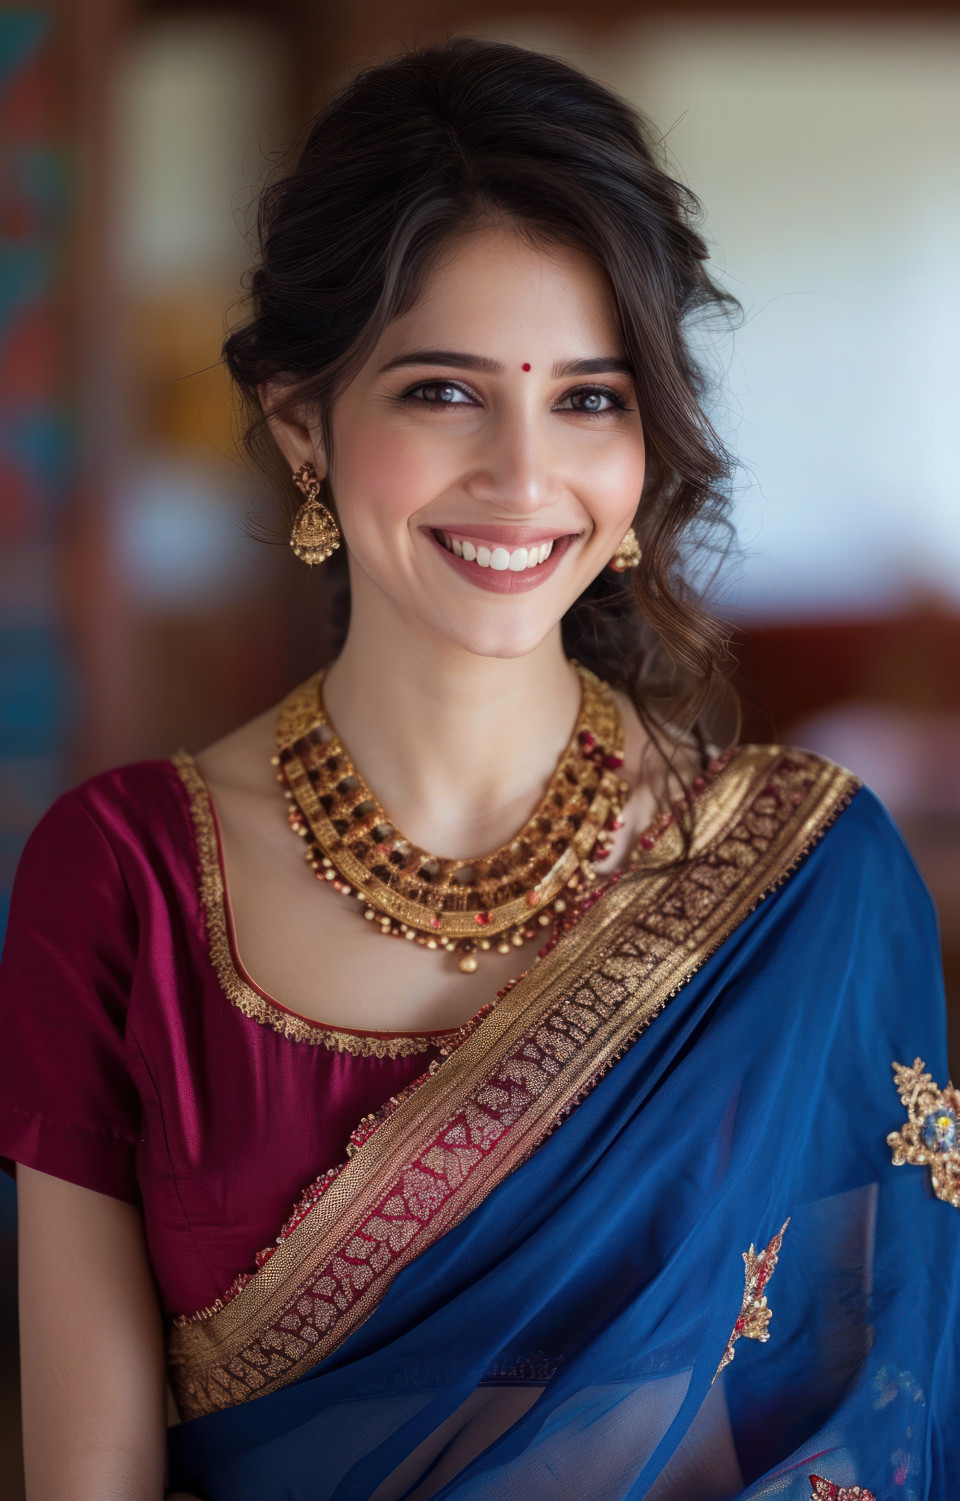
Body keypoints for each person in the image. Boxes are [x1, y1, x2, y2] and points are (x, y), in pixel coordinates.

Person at [1, 36, 957, 1501]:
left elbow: (867, 1421)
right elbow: (87, 1474)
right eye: (444, 392)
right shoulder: (122, 875)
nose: (524, 479)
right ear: (299, 421)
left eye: (589, 397)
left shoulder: (802, 881)